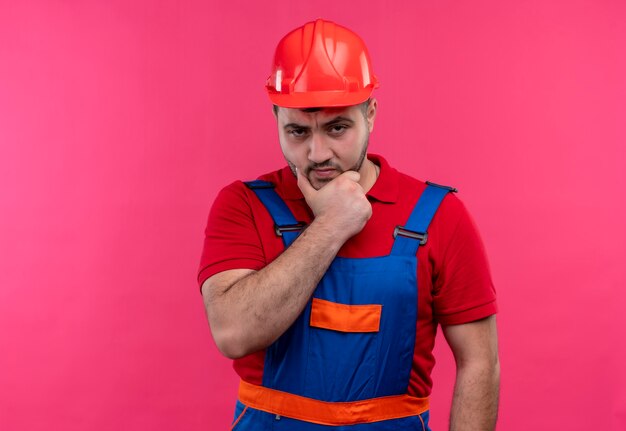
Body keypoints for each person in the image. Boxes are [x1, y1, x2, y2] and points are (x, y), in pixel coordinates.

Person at [198, 19, 499, 431]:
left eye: (337, 128)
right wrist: (333, 224)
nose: (317, 153)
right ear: (276, 117)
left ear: (370, 113)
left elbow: (479, 362)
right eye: (297, 132)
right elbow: (233, 333)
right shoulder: (243, 205)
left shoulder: (439, 215)